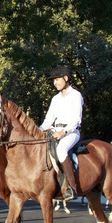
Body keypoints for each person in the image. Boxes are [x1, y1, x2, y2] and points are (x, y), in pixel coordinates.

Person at [40, 65, 83, 200]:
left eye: (57, 79)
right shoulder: (55, 99)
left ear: (66, 78)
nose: (55, 83)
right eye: (53, 81)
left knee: (61, 150)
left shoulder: (76, 95)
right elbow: (48, 120)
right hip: (55, 131)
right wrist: (37, 132)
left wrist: (63, 132)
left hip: (71, 132)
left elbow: (76, 119)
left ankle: (72, 188)